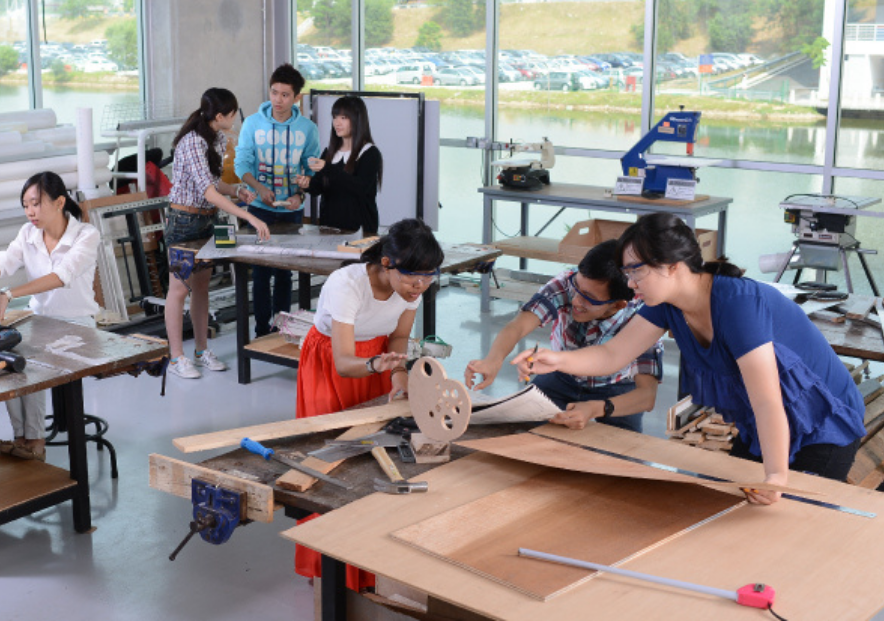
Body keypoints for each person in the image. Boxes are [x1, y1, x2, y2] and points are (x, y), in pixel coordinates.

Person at [513, 213, 865, 505]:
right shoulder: (667, 306)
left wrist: (775, 476)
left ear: (672, 266)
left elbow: (767, 400)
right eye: (627, 272)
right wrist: (556, 359)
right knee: (733, 506)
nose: (630, 283)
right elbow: (611, 354)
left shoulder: (737, 305)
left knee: (795, 520)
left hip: (822, 422)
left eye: (636, 271)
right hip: (765, 425)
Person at [293, 218, 444, 591]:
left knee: (377, 456)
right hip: (332, 362)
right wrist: (378, 365)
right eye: (414, 277)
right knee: (330, 460)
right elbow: (345, 362)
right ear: (388, 263)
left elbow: (399, 339)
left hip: (378, 359)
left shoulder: (413, 288)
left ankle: (367, 563)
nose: (420, 286)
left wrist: (398, 377)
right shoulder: (347, 285)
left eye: (429, 277)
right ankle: (325, 568)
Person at [465, 240, 662, 433]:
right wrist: (493, 359)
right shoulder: (566, 283)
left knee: (624, 455)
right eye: (576, 287)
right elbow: (518, 325)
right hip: (560, 378)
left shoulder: (645, 316)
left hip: (616, 387)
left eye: (588, 297)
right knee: (519, 432)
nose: (575, 300)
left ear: (618, 304)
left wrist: (596, 407)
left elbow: (646, 396)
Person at [0, 172, 100, 462]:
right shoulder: (27, 234)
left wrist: (8, 293)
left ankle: (36, 440)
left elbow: (60, 276)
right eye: (26, 205)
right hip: (41, 322)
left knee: (33, 362)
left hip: (78, 324)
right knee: (4, 357)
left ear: (59, 202)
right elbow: (2, 261)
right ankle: (21, 437)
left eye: (36, 204)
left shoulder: (86, 235)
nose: (30, 212)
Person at [163, 88, 270, 380]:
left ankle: (201, 351)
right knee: (179, 290)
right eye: (233, 113)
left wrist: (236, 190)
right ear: (220, 116)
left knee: (201, 288)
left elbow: (214, 184)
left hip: (207, 222)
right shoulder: (193, 143)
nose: (235, 118)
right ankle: (176, 358)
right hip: (184, 223)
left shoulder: (218, 138)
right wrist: (248, 214)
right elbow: (208, 193)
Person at [234, 63, 321, 338]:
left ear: (296, 97)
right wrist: (259, 189)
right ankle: (261, 333)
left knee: (285, 273)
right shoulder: (252, 123)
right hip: (259, 209)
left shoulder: (307, 128)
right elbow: (241, 164)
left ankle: (282, 330)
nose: (278, 100)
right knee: (260, 274)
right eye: (274, 92)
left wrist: (299, 195)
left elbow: (310, 171)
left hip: (292, 212)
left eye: (285, 95)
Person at [295, 96, 383, 235]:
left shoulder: (370, 153)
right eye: (335, 117)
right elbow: (318, 188)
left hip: (359, 231)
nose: (337, 122)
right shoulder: (330, 152)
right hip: (329, 228)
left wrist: (327, 168)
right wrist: (306, 184)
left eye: (343, 117)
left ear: (358, 119)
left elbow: (360, 187)